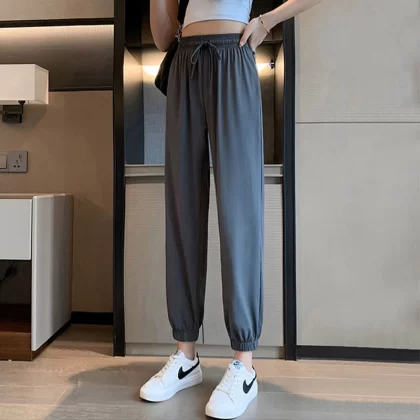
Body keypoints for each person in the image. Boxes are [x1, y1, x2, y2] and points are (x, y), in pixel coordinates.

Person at [140, 0, 323, 418]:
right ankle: (186, 355)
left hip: (234, 55)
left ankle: (244, 365)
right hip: (185, 64)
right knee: (182, 211)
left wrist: (267, 21)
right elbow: (164, 38)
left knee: (239, 214)